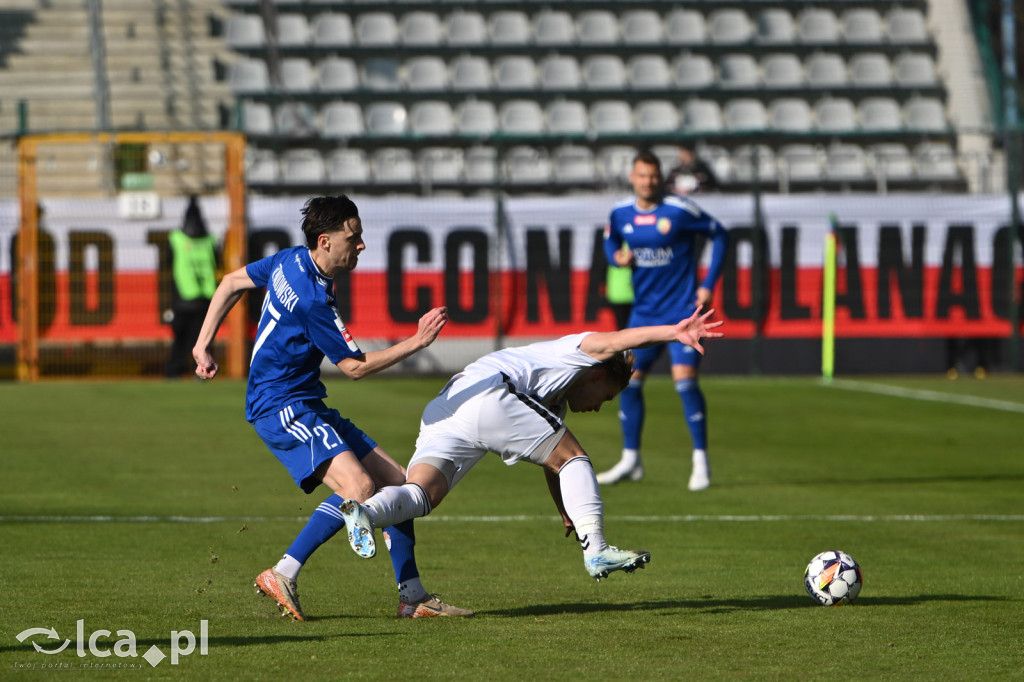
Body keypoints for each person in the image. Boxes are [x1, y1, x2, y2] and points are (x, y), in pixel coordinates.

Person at [192, 195, 472, 620]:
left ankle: (411, 596)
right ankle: (282, 573)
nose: (360, 245)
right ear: (326, 241)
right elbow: (354, 368)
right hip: (280, 404)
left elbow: (231, 282)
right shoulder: (312, 300)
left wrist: (202, 343)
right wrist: (417, 342)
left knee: (398, 485)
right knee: (358, 489)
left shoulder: (290, 260)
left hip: (303, 400)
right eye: (353, 237)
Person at [333, 308, 725, 582]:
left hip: (449, 403)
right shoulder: (576, 353)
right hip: (491, 395)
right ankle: (598, 550)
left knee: (420, 494)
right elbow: (618, 341)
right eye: (606, 396)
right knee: (576, 455)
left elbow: (550, 464)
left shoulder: (552, 403)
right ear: (599, 376)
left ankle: (366, 511)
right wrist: (673, 332)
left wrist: (567, 511)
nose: (599, 407)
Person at [596, 150, 730, 491]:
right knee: (628, 380)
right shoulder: (620, 212)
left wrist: (707, 284)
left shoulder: (680, 211)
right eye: (642, 176)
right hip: (644, 312)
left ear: (660, 178)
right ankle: (631, 459)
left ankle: (701, 460)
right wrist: (617, 257)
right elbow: (610, 241)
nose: (647, 182)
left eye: (653, 176)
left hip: (683, 311)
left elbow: (720, 234)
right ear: (632, 177)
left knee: (683, 379)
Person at [165, 196, 218, 378]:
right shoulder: (210, 240)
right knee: (203, 341)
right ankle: (203, 373)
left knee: (179, 340)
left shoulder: (176, 239)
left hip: (182, 298)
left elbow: (167, 263)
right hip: (206, 299)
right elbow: (216, 263)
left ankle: (173, 372)